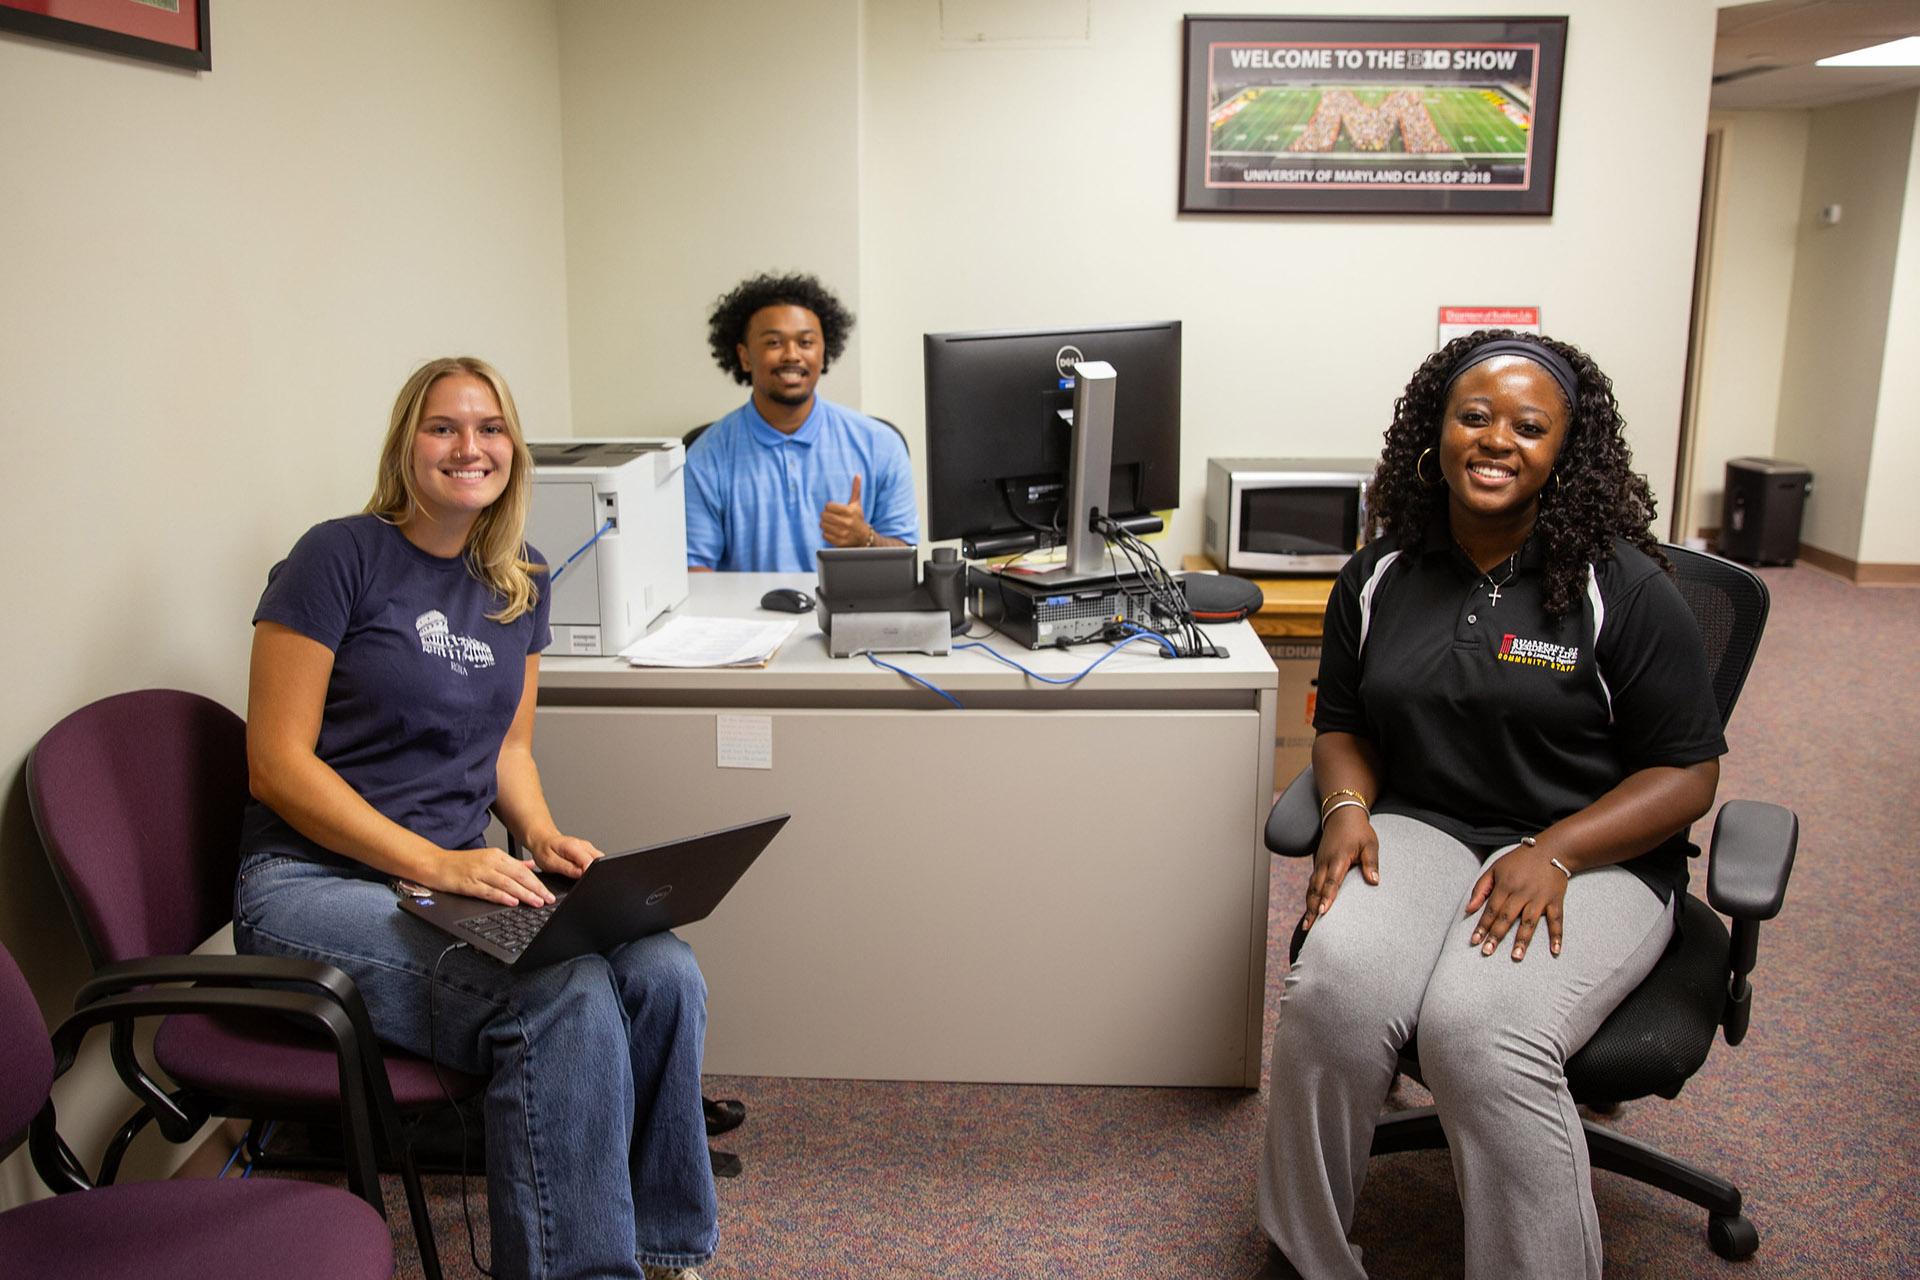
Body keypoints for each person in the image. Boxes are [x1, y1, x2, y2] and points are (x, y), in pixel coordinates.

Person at [1256, 331, 1726, 1280]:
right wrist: (1346, 805)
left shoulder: (1622, 587)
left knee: (1479, 1031)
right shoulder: (1380, 573)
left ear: (1567, 451)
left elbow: (1687, 775)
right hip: (1424, 827)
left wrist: (1555, 850)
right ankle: (1310, 1257)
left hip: (1592, 855)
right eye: (1474, 417)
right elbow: (1343, 723)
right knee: (1334, 990)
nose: (1496, 440)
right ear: (1437, 430)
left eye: (1528, 425)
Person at [234, 356, 715, 1280]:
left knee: (663, 968)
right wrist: (440, 861)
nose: (471, 446)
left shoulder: (518, 578)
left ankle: (659, 1244)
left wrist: (538, 835)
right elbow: (275, 766)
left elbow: (509, 751)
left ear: (514, 449)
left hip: (446, 882)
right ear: (405, 444)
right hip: (309, 886)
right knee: (559, 995)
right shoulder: (336, 557)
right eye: (444, 427)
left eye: (490, 427)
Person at [685, 271, 917, 571]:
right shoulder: (706, 456)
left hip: (850, 615)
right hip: (745, 618)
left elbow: (905, 558)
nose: (792, 355)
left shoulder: (881, 444)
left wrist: (866, 538)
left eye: (806, 342)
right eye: (774, 343)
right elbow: (696, 571)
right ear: (744, 357)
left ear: (824, 352)